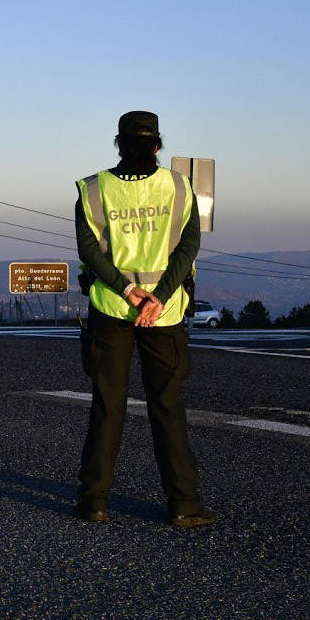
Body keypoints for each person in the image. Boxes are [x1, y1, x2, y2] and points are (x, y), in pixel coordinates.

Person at [74, 111, 215, 528]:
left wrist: (127, 290)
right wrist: (160, 296)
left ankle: (94, 501)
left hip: (111, 311)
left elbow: (89, 253)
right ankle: (183, 504)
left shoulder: (93, 190)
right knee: (168, 408)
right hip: (164, 315)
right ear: (157, 146)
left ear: (118, 144)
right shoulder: (179, 187)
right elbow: (188, 250)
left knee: (107, 408)